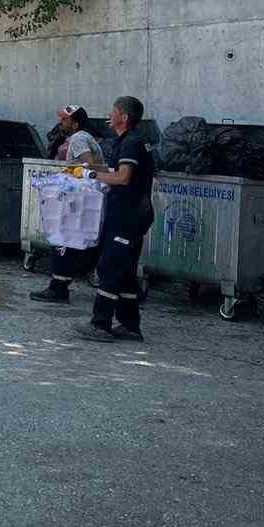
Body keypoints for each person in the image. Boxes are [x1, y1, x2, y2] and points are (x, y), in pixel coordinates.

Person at [72, 95, 155, 342]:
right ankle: (130, 327)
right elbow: (113, 171)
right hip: (127, 213)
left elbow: (123, 177)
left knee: (109, 267)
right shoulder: (128, 141)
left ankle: (100, 324)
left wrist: (91, 178)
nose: (110, 114)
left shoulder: (131, 143)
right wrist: (84, 170)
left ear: (124, 117)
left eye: (113, 111)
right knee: (126, 272)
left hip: (127, 216)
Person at [30, 107, 105, 303]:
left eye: (65, 120)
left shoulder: (79, 138)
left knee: (62, 240)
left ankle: (58, 289)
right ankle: (60, 286)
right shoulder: (84, 136)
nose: (61, 123)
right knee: (68, 242)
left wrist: (74, 173)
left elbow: (89, 165)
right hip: (82, 199)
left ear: (76, 123)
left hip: (79, 199)